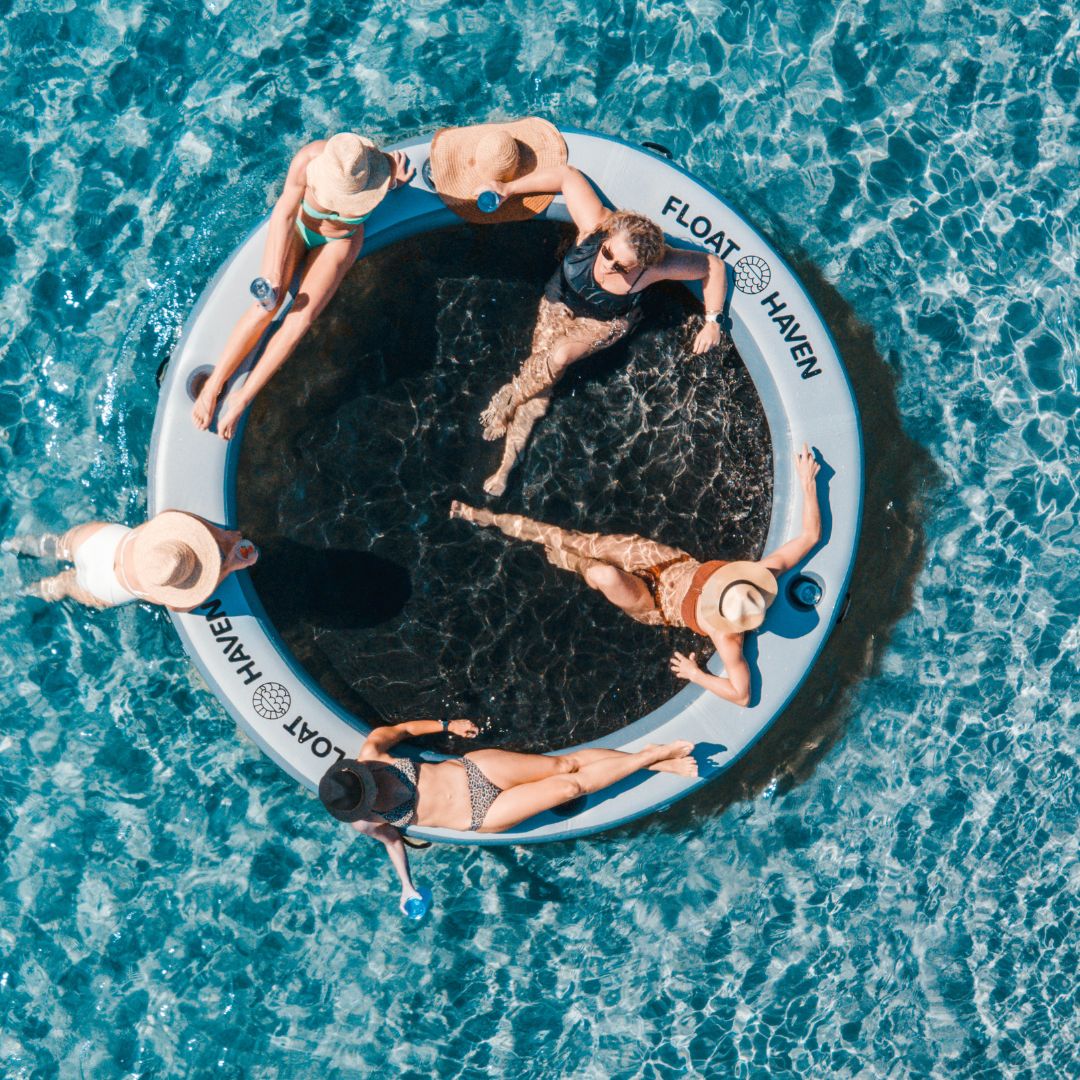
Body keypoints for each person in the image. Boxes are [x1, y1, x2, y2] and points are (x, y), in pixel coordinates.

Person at [430, 131, 729, 496]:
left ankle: (510, 396)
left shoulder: (656, 267)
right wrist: (510, 190)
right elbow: (566, 176)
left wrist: (712, 321)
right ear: (607, 237)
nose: (610, 266)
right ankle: (508, 457)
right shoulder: (595, 225)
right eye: (608, 255)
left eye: (623, 267)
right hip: (559, 299)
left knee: (557, 357)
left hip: (602, 322)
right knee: (542, 368)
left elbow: (712, 265)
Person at [450, 444, 823, 706]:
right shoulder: (759, 576)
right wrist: (808, 485)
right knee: (574, 539)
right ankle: (487, 518)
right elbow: (810, 536)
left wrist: (696, 674)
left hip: (656, 605)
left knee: (601, 573)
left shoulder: (727, 635)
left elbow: (742, 695)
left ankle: (571, 564)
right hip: (669, 563)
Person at [319, 717, 697, 912]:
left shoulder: (375, 751)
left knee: (564, 765)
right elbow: (392, 842)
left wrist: (447, 725)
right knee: (570, 788)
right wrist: (406, 885)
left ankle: (652, 761)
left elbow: (401, 729)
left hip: (475, 771)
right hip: (482, 813)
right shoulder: (367, 820)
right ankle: (650, 758)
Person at [191, 132, 415, 440]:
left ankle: (242, 399)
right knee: (265, 307)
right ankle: (215, 384)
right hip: (299, 227)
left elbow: (388, 181)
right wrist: (271, 273)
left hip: (340, 241)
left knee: (300, 320)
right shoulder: (309, 159)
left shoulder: (379, 172)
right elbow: (283, 212)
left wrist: (395, 182)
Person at [3, 510, 258, 610]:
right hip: (103, 587)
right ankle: (22, 591)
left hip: (99, 542)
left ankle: (9, 545)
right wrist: (229, 566)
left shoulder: (159, 531)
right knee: (61, 586)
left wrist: (221, 534)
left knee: (58, 544)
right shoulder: (156, 589)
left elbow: (175, 515)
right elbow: (180, 607)